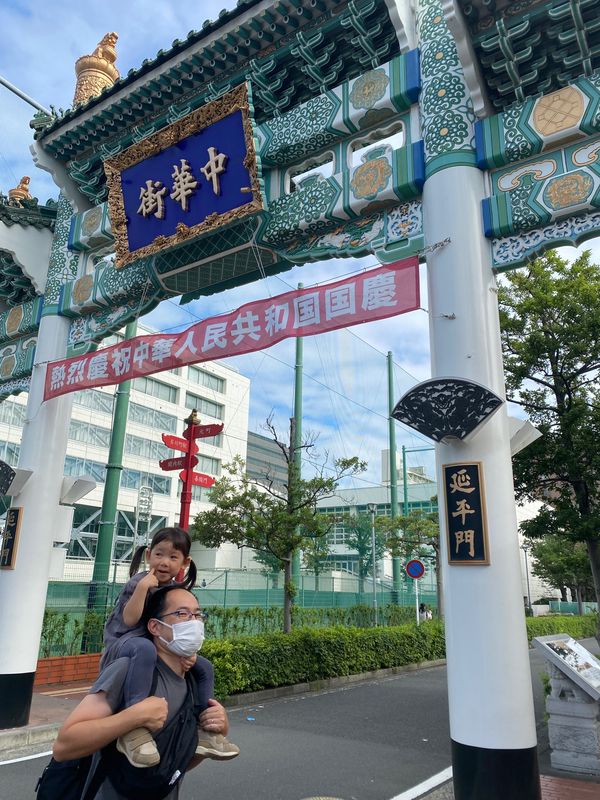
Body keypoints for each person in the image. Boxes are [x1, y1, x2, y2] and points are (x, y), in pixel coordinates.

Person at [53, 585, 231, 799]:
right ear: (155, 626)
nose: (193, 622)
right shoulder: (126, 671)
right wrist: (132, 718)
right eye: (182, 613)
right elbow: (64, 746)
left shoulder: (195, 682)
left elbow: (173, 763)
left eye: (198, 614)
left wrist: (217, 727)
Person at [101, 526, 239, 767]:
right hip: (124, 643)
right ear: (148, 556)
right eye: (159, 554)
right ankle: (135, 726)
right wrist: (144, 587)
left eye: (173, 557)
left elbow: (169, 629)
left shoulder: (174, 591)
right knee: (145, 649)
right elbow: (130, 620)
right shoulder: (139, 582)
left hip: (149, 642)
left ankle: (205, 728)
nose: (164, 562)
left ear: (184, 562)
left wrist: (189, 653)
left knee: (204, 666)